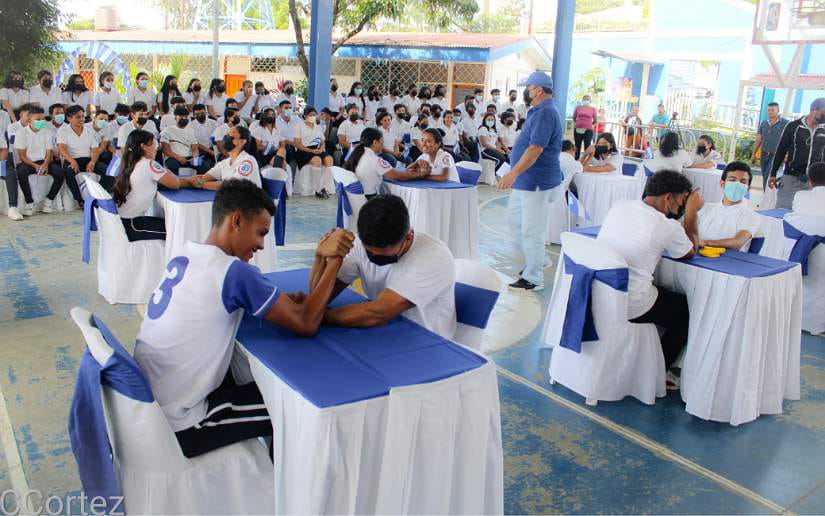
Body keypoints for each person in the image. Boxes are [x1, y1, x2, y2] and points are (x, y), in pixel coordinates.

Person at [133, 179, 354, 458]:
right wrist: (335, 261)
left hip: (150, 402)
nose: (261, 245)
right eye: (260, 233)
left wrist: (285, 300)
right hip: (183, 421)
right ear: (236, 221)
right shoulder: (233, 272)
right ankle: (280, 481)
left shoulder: (187, 254)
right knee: (295, 408)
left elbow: (234, 298)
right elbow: (306, 323)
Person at [597, 170, 701, 388]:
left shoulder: (620, 205)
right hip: (631, 302)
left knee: (661, 295)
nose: (681, 207)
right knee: (685, 311)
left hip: (599, 292)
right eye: (682, 201)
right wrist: (691, 213)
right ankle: (658, 371)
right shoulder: (665, 225)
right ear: (668, 197)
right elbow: (690, 252)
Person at [312, 194, 456, 339]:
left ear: (408, 238)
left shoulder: (434, 257)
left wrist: (319, 317)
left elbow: (378, 312)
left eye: (383, 256)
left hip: (428, 341)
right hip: (386, 333)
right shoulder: (359, 244)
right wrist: (321, 257)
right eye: (369, 253)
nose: (374, 257)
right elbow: (319, 298)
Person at [497, 71, 563, 291]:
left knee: (532, 230)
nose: (526, 91)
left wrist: (513, 173)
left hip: (536, 181)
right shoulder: (538, 110)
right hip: (526, 180)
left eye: (529, 88)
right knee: (514, 221)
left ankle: (534, 277)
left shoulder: (546, 113)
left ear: (539, 90)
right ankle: (539, 260)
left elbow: (535, 149)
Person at [112, 130, 197, 240]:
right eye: (154, 143)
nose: (156, 147)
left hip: (124, 221)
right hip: (132, 225)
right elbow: (175, 184)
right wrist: (166, 170)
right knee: (179, 231)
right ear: (143, 146)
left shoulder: (131, 162)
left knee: (173, 224)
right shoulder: (149, 164)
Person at [769, 98, 825, 209]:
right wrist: (773, 173)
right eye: (824, 113)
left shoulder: (823, 130)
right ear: (814, 110)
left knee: (806, 211)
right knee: (783, 210)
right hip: (791, 178)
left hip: (813, 182)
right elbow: (781, 150)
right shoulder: (793, 126)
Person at [343, 127, 432, 197]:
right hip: (369, 198)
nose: (382, 146)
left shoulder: (355, 153)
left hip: (355, 196)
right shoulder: (375, 160)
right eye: (382, 143)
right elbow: (400, 176)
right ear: (375, 142)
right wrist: (421, 174)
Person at [696, 161, 761, 251]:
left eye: (743, 181)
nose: (737, 184)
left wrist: (705, 243)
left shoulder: (751, 216)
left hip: (727, 259)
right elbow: (685, 231)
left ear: (748, 188)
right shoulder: (706, 208)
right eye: (732, 180)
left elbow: (737, 242)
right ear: (722, 184)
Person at [13, 106, 63, 216]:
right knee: (21, 172)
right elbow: (22, 156)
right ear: (29, 120)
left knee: (60, 172)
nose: (41, 121)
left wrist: (45, 164)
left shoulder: (48, 132)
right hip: (28, 162)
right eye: (38, 119)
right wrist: (35, 166)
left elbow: (49, 153)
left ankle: (49, 200)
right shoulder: (21, 133)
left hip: (44, 161)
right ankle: (29, 202)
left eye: (43, 119)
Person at [54, 104, 102, 209]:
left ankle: (101, 196)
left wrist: (93, 162)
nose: (81, 119)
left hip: (88, 160)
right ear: (69, 119)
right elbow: (62, 148)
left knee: (106, 170)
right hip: (71, 159)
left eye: (82, 116)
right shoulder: (63, 130)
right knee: (68, 171)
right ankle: (80, 200)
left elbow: (95, 150)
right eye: (78, 117)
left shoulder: (90, 131)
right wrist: (72, 161)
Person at [199, 125, 262, 189]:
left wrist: (201, 184)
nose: (226, 137)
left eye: (230, 135)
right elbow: (204, 177)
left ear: (242, 142)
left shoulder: (248, 161)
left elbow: (232, 185)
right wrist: (193, 181)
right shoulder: (225, 162)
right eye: (226, 134)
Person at [293, 106, 334, 198]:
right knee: (317, 160)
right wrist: (311, 150)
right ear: (305, 116)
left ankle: (326, 187)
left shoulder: (317, 127)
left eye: (314, 115)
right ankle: (317, 189)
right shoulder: (299, 126)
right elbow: (297, 144)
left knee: (329, 159)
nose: (313, 117)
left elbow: (322, 142)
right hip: (304, 150)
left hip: (317, 149)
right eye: (311, 115)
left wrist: (321, 149)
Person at [160, 106, 209, 175]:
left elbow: (194, 147)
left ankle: (198, 181)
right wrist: (179, 158)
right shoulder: (167, 130)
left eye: (186, 117)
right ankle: (177, 182)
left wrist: (195, 157)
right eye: (181, 117)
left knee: (204, 166)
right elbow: (165, 150)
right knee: (173, 167)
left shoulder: (191, 131)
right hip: (173, 158)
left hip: (189, 158)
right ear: (175, 117)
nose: (184, 119)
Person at [752, 102, 788, 191]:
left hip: (776, 156)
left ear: (778, 110)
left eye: (772, 110)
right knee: (765, 176)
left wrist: (787, 154)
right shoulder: (764, 123)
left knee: (768, 176)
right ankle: (769, 195)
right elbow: (758, 139)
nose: (770, 112)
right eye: (768, 110)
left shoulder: (785, 123)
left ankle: (766, 196)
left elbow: (789, 140)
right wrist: (754, 153)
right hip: (764, 155)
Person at [190, 103, 218, 169]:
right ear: (193, 115)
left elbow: (217, 138)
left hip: (213, 148)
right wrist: (210, 152)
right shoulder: (190, 126)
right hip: (199, 150)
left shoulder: (213, 123)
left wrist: (215, 151)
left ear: (206, 113)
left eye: (202, 113)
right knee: (205, 166)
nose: (200, 115)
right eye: (197, 114)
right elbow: (195, 143)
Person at [572, 94, 597, 159]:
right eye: (584, 99)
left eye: (587, 99)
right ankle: (576, 160)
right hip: (578, 129)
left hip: (588, 130)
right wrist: (578, 123)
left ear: (590, 101)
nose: (586, 100)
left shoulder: (593, 109)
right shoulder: (578, 108)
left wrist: (589, 124)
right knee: (577, 145)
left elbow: (595, 120)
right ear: (582, 100)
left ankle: (586, 160)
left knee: (587, 146)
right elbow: (574, 117)